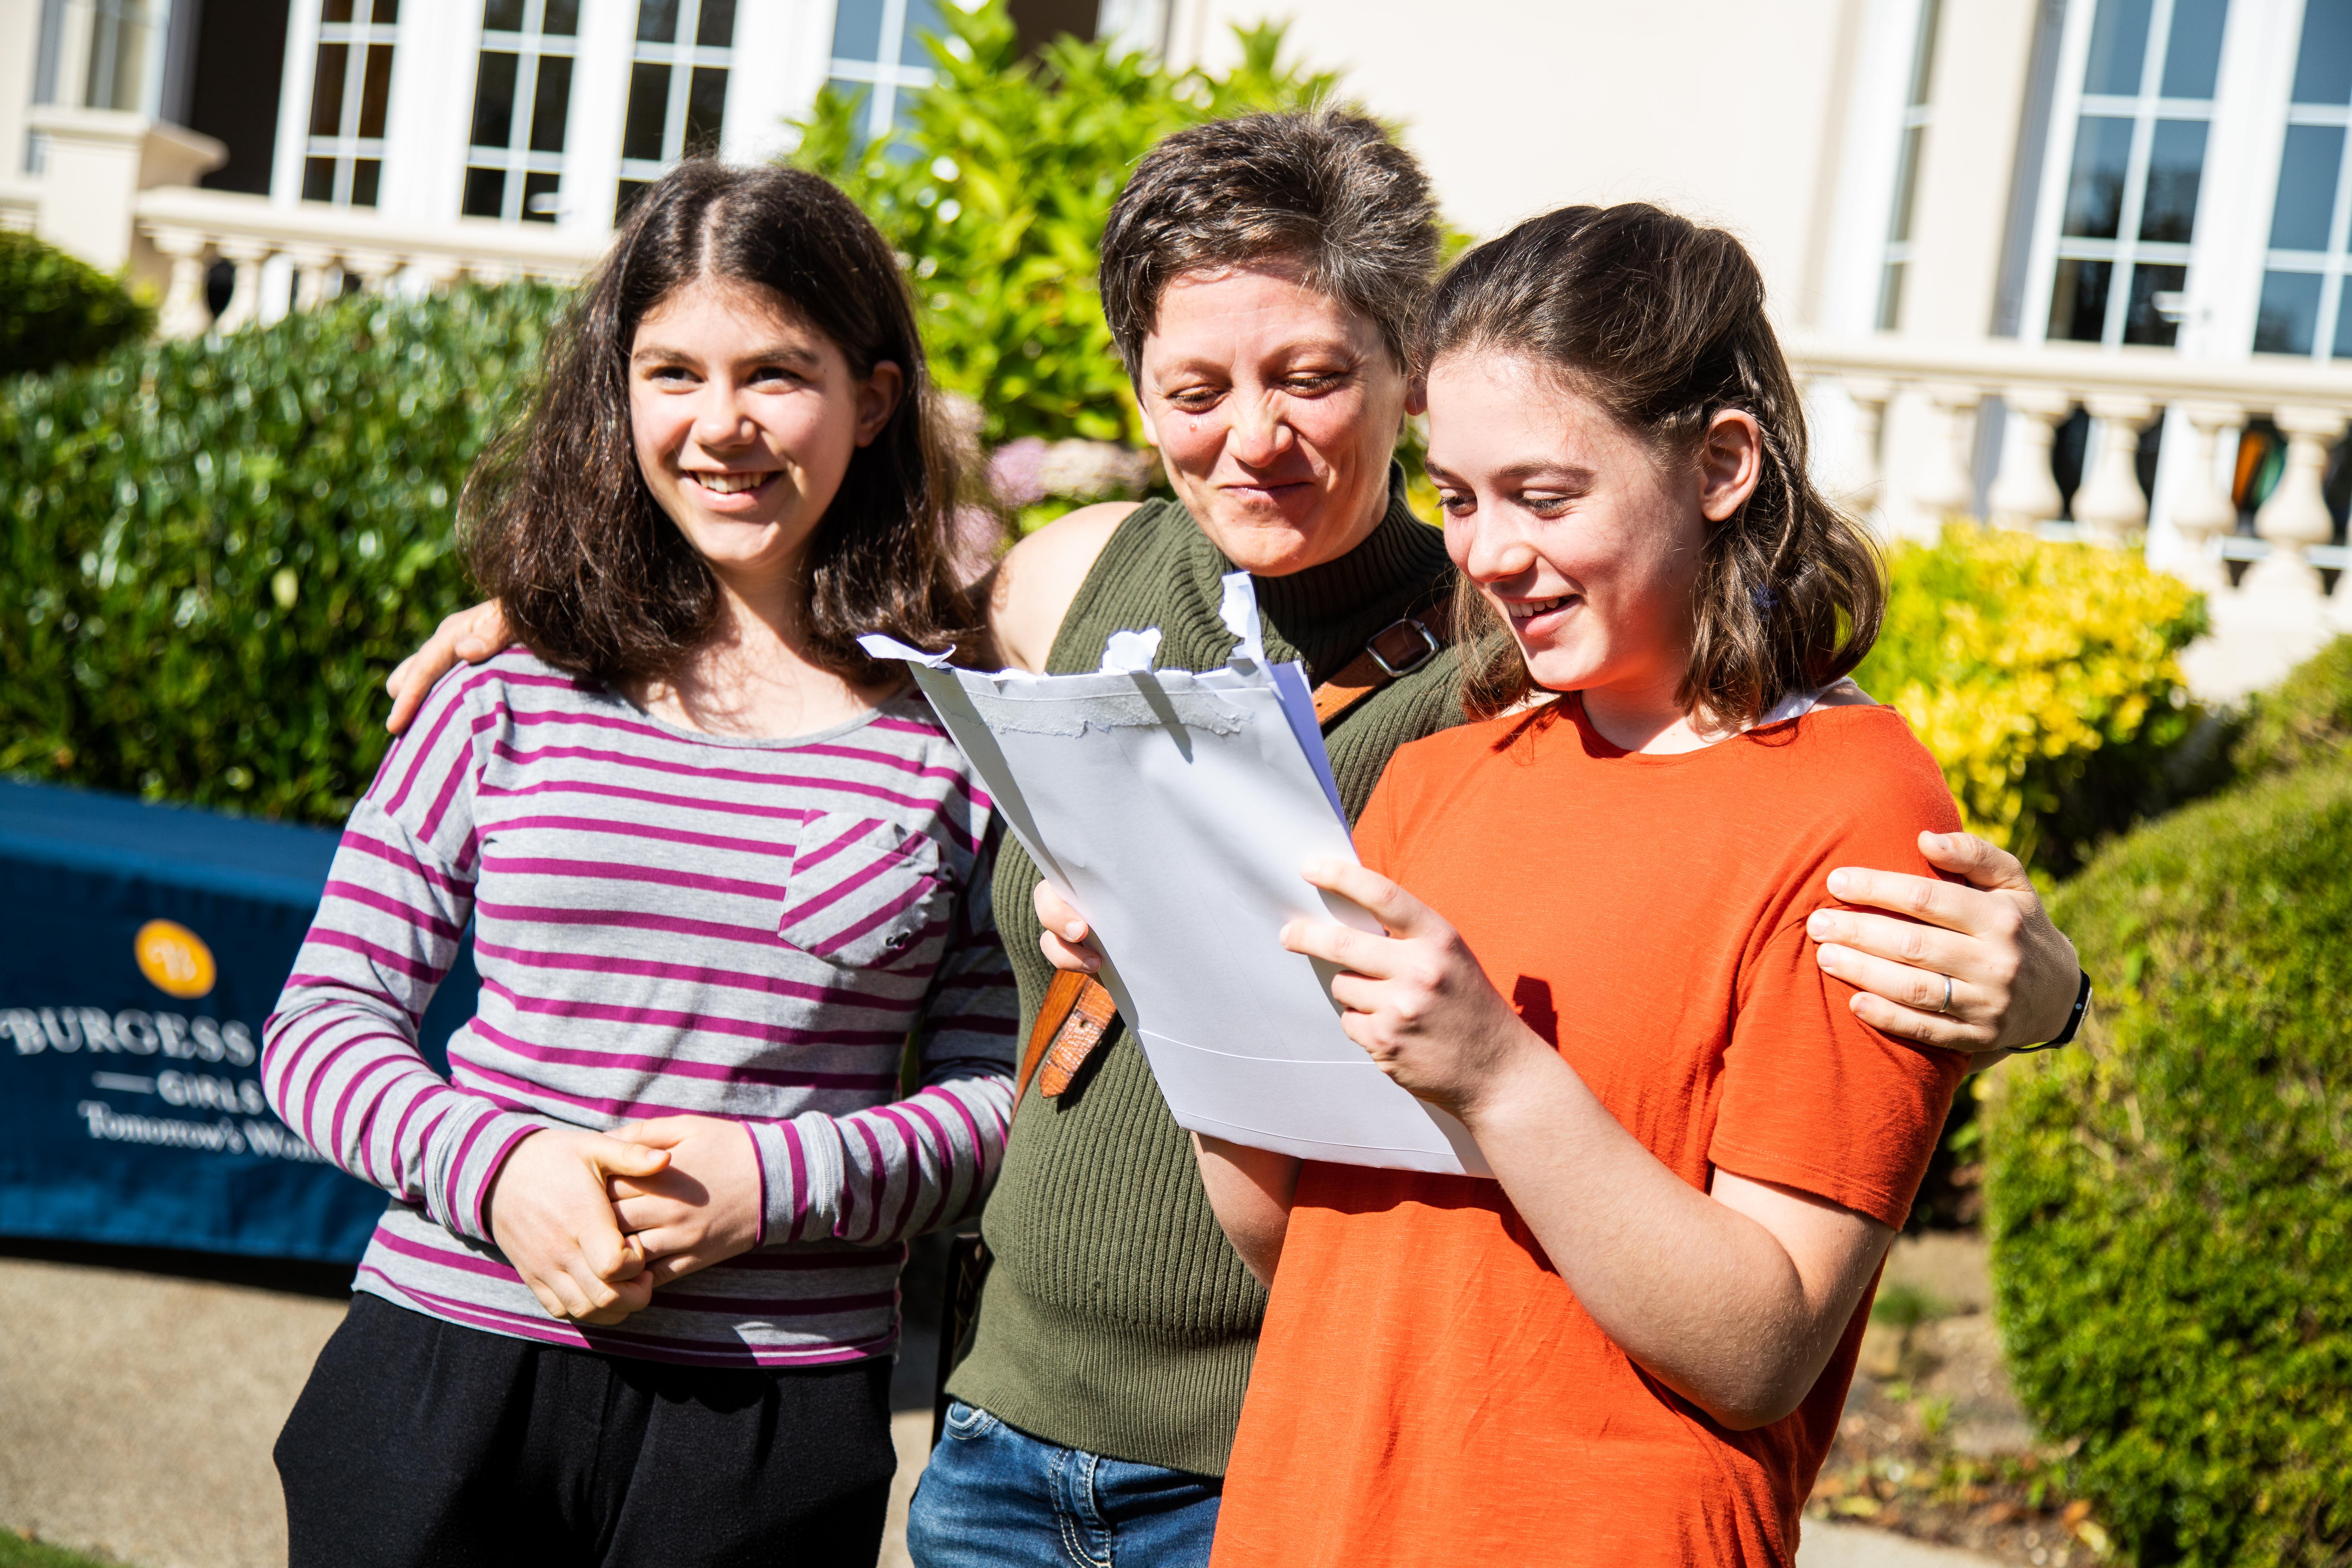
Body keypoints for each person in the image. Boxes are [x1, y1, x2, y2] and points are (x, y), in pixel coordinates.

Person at [386, 112, 2086, 1566]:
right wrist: (536, 624)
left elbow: (1753, 763)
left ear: (1402, 375)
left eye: (1314, 377)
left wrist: (2045, 982)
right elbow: (818, 641)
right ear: (1136, 387)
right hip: (1004, 1414)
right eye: (1195, 385)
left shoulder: (1501, 656)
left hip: (1271, 1447)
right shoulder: (1075, 579)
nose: (1253, 435)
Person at [1186, 202, 2003, 1565]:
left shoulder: (1856, 811)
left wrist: (1498, 1073)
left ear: (1722, 466)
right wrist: (1181, 967)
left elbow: (1761, 1346)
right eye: (1456, 498)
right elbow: (1304, 1246)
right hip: (1309, 1514)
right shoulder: (1436, 779)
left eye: (1545, 496)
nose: (1489, 554)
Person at [264, 161, 1017, 1568]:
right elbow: (320, 1028)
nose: (720, 425)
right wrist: (499, 1173)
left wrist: (770, 1185)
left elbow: (1004, 1105)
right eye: (673, 371)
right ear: (621, 392)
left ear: (875, 398)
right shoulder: (507, 691)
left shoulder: (964, 740)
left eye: (777, 375)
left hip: (770, 1418)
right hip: (445, 1365)